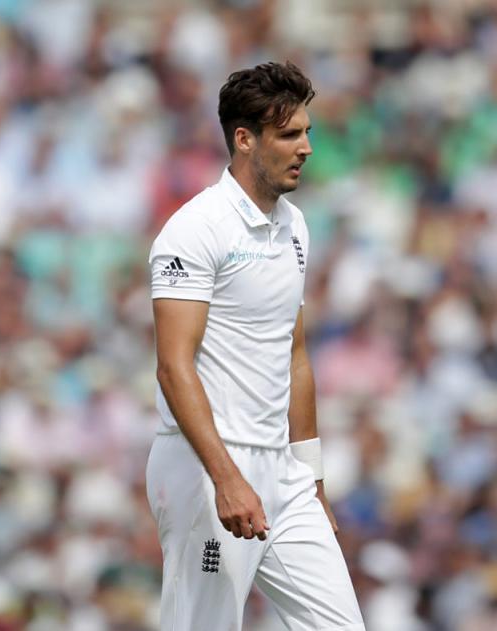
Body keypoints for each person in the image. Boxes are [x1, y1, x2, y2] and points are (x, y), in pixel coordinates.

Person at [146, 61, 365, 631]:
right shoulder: (196, 229)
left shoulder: (295, 226)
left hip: (283, 475)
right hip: (209, 468)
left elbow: (294, 354)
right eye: (291, 134)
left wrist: (311, 477)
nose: (308, 148)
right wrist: (226, 477)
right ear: (245, 140)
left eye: (308, 132)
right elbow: (173, 366)